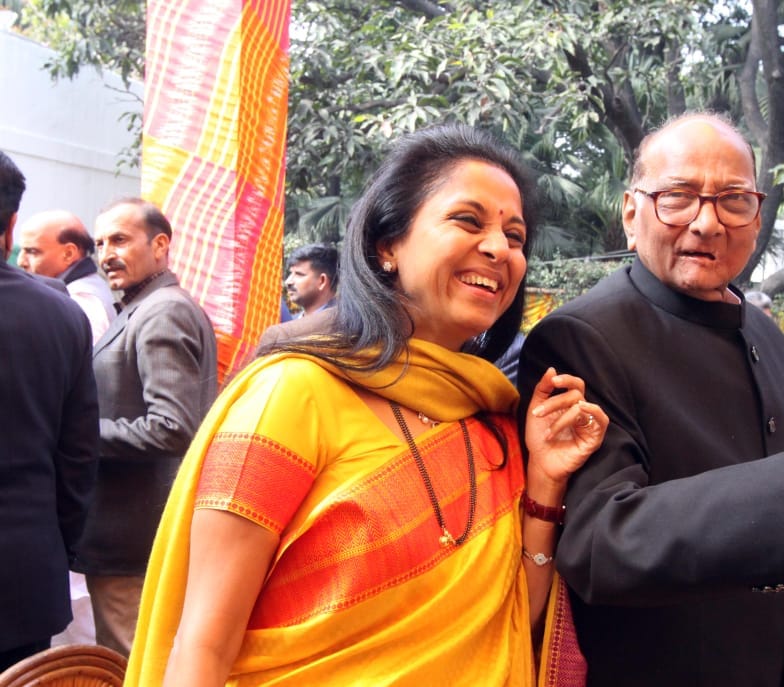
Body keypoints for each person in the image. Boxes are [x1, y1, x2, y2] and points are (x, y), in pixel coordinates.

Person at [125, 123, 609, 686]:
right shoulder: (292, 395)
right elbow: (202, 647)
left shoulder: (495, 428)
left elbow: (509, 624)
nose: (499, 248)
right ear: (387, 247)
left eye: (516, 235)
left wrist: (547, 482)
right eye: (468, 220)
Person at [517, 113, 784, 686]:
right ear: (631, 213)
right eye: (677, 197)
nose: (707, 222)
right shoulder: (582, 337)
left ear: (756, 214)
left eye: (733, 200)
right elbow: (599, 541)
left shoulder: (764, 334)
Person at [72, 198, 219, 657]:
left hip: (134, 538)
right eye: (99, 243)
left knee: (132, 663)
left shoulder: (162, 311)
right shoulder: (144, 308)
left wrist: (78, 434)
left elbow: (173, 427)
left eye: (119, 239)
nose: (106, 254)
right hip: (134, 535)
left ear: (160, 245)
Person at [0, 151, 99, 671]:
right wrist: (60, 550)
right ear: (12, 223)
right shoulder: (61, 314)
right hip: (23, 575)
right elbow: (79, 455)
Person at [16, 209, 117, 343]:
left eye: (32, 252)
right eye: (22, 250)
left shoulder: (82, 301)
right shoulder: (85, 289)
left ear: (69, 253)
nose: (20, 261)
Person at [283, 243, 339, 317]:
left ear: (322, 281)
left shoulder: (346, 324)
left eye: (299, 274)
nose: (288, 282)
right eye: (291, 274)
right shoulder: (290, 322)